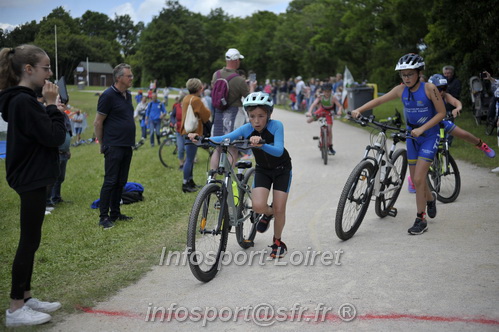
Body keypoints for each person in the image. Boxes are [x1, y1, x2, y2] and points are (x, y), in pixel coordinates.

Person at [0, 44, 66, 327]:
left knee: (33, 238)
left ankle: (26, 296)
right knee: (28, 241)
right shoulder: (22, 101)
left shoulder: (24, 100)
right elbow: (54, 137)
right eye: (46, 68)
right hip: (30, 176)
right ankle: (16, 307)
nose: (50, 73)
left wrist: (49, 108)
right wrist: (52, 106)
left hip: (32, 174)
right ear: (28, 70)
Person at [188, 92, 292, 258]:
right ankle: (268, 213)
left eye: (261, 116)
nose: (256, 121)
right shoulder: (247, 128)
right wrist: (202, 139)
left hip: (282, 169)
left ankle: (278, 241)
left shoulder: (276, 126)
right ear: (248, 116)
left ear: (269, 115)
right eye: (252, 116)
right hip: (263, 170)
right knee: (258, 207)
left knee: (280, 209)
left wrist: (262, 144)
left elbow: (279, 150)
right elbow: (224, 138)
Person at [352, 54, 446, 235]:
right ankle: (430, 198)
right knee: (418, 179)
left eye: (410, 74)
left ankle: (421, 219)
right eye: (403, 75)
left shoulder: (430, 88)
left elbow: (441, 113)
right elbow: (379, 100)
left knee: (418, 179)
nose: (406, 78)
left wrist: (422, 128)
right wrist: (359, 109)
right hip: (412, 136)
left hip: (429, 136)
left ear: (419, 73)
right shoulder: (401, 90)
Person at [94, 63, 136, 229]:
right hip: (114, 145)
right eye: (129, 76)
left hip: (126, 144)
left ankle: (115, 213)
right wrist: (102, 143)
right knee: (110, 181)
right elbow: (98, 122)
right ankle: (104, 217)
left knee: (121, 181)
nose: (131, 78)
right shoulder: (108, 96)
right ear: (119, 78)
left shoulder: (128, 95)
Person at [210, 48, 255, 172]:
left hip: (219, 113)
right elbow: (249, 99)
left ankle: (211, 179)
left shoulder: (216, 75)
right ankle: (227, 178)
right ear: (235, 61)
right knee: (232, 148)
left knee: (218, 148)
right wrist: (251, 87)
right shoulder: (239, 80)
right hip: (234, 115)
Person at [181, 78, 211, 192]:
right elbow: (206, 116)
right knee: (189, 159)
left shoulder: (186, 98)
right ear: (199, 88)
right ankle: (185, 183)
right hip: (193, 132)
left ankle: (190, 180)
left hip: (185, 131)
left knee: (191, 157)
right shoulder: (196, 100)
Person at [48, 99, 73, 206]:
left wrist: (68, 150)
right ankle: (48, 200)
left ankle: (56, 197)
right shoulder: (52, 116)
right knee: (53, 178)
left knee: (60, 177)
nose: (63, 105)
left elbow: (67, 133)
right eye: (59, 103)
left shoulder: (65, 117)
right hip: (57, 152)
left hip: (64, 153)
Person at [305, 83, 343, 155]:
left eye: (329, 91)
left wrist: (339, 111)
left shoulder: (333, 98)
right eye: (325, 91)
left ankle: (330, 146)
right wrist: (309, 112)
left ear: (331, 91)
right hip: (322, 110)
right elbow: (313, 104)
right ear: (323, 91)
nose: (327, 93)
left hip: (329, 112)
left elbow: (339, 106)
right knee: (308, 120)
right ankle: (318, 120)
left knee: (329, 129)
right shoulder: (320, 97)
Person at [172, 95, 185, 170]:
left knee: (187, 148)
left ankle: (188, 161)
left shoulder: (189, 107)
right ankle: (181, 164)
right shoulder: (177, 107)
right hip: (179, 131)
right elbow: (172, 116)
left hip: (187, 131)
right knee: (180, 148)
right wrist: (174, 123)